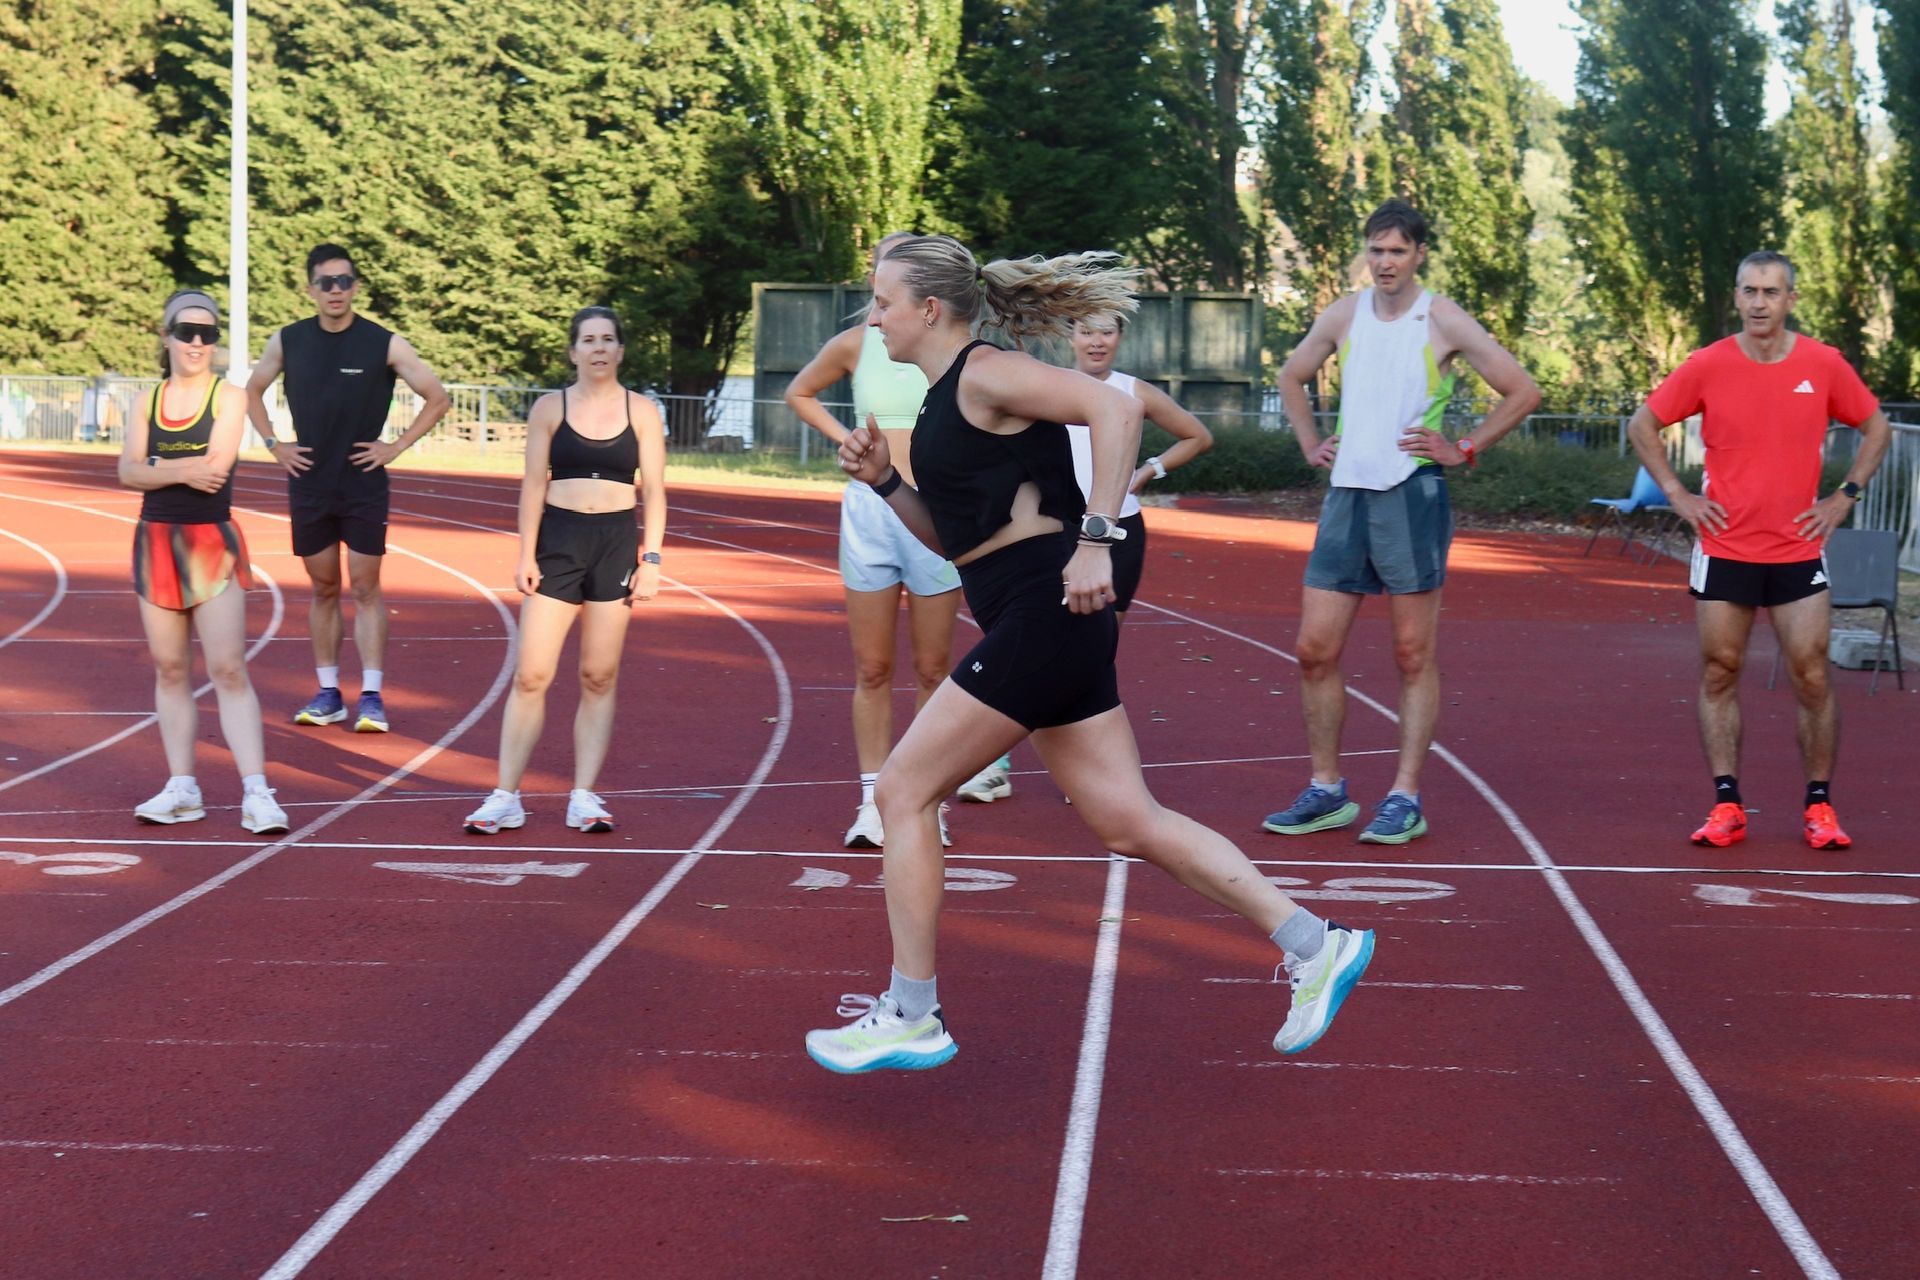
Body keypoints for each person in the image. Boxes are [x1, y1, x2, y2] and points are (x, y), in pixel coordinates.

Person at [805, 235, 1375, 1074]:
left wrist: (1098, 540)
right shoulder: (939, 402)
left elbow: (1116, 410)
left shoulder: (986, 372)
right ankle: (1317, 944)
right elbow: (962, 547)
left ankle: (912, 1013)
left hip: (1048, 610)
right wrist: (887, 483)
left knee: (901, 790)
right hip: (1036, 616)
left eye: (882, 301)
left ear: (928, 308)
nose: (873, 317)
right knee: (1128, 820)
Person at [1262, 199, 1539, 845]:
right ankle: (1327, 790)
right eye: (1376, 250)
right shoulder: (1345, 313)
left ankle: (1404, 797)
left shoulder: (1441, 317)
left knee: (1412, 654)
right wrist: (1310, 442)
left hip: (1410, 494)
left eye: (1396, 251)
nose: (1385, 262)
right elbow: (1292, 375)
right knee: (1313, 651)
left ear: (1419, 254)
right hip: (1346, 497)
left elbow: (1523, 391)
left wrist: (1464, 447)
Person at [1626, 250, 1890, 850]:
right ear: (1738, 297)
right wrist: (1677, 495)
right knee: (1720, 671)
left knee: (1812, 675)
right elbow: (1643, 425)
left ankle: (1819, 806)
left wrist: (1844, 497)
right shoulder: (1708, 364)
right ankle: (1727, 804)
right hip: (1725, 547)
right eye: (1749, 291)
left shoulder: (1822, 363)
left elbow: (1876, 427)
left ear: (1790, 299)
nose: (1759, 302)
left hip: (1798, 548)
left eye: (1771, 292)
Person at [955, 310, 1215, 804]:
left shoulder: (1133, 391)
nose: (1097, 341)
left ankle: (1095, 772)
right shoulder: (1048, 385)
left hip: (1118, 532)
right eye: (1086, 331)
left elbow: (1197, 436)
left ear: (1121, 337)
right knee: (1022, 643)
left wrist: (1148, 470)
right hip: (1056, 530)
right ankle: (995, 765)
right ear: (1070, 335)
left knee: (1093, 653)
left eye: (1107, 331)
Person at [785, 232, 961, 850]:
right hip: (870, 511)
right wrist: (847, 440)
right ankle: (872, 801)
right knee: (873, 667)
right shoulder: (857, 343)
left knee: (934, 668)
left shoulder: (946, 344)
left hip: (937, 508)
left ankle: (928, 799)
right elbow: (799, 391)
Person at [463, 307, 668, 834]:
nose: (598, 348)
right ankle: (505, 797)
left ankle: (584, 796)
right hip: (559, 541)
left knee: (598, 676)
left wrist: (651, 559)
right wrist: (525, 554)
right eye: (588, 340)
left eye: (607, 339)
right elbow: (533, 484)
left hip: (615, 544)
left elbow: (654, 490)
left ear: (620, 350)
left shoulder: (643, 411)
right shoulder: (550, 408)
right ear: (573, 351)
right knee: (531, 674)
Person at [245, 243, 451, 735]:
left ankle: (372, 697)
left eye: (343, 281)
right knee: (322, 587)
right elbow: (251, 391)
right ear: (311, 289)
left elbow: (438, 398)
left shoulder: (384, 343)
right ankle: (328, 693)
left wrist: (396, 445)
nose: (335, 290)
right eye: (326, 282)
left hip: (362, 481)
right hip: (310, 480)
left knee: (364, 586)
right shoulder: (287, 340)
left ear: (355, 287)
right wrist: (273, 444)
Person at [118, 291, 289, 835]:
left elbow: (214, 472)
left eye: (208, 334)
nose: (197, 342)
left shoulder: (228, 398)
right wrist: (179, 469)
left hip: (211, 542)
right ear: (166, 336)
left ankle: (257, 792)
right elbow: (127, 472)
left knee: (228, 669)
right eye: (186, 332)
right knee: (170, 669)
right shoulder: (146, 401)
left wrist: (158, 465)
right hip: (156, 541)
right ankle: (182, 787)